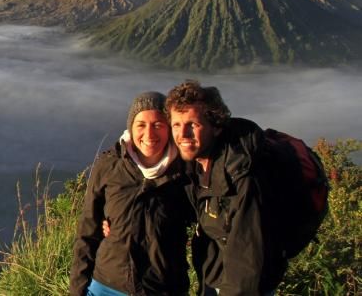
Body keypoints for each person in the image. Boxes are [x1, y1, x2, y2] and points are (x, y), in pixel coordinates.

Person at [165, 80, 287, 295]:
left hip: (241, 286)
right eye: (176, 124)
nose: (182, 135)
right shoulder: (197, 164)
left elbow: (248, 264)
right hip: (216, 274)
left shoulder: (243, 179)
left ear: (217, 126)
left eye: (193, 125)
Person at [70, 91, 194, 296]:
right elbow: (88, 230)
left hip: (164, 287)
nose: (149, 134)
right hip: (108, 285)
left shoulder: (185, 169)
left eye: (158, 124)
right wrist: (77, 290)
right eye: (141, 125)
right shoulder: (110, 165)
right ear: (130, 127)